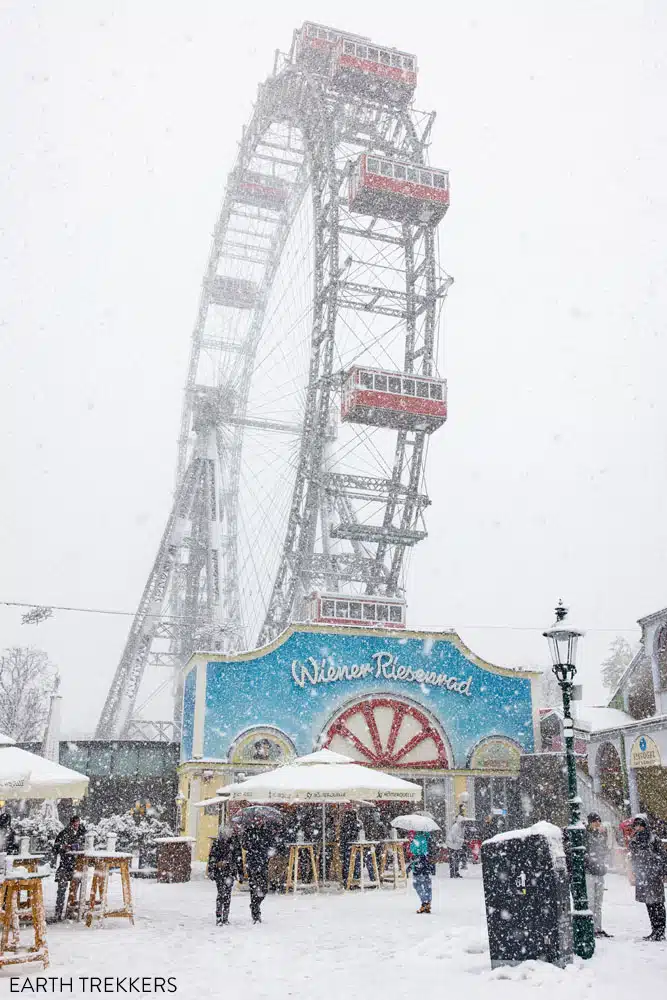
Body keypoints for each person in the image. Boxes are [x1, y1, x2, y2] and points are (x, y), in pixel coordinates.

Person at [628, 815, 666, 941]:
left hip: (653, 875)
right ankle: (654, 930)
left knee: (657, 904)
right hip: (643, 875)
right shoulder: (634, 839)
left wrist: (659, 870)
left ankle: (660, 930)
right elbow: (634, 857)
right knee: (649, 904)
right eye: (636, 825)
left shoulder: (653, 838)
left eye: (640, 825)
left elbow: (662, 856)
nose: (638, 828)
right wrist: (634, 870)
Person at [50, 815, 86, 921]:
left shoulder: (81, 833)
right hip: (65, 866)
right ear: (71, 823)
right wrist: (64, 847)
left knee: (73, 889)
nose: (76, 825)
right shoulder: (64, 833)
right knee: (62, 889)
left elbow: (85, 845)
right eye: (75, 823)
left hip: (76, 866)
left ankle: (70, 911)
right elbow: (56, 848)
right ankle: (59, 912)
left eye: (78, 823)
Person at [207, 824, 244, 925]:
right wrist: (213, 868)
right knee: (221, 894)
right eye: (227, 831)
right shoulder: (217, 843)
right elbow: (212, 857)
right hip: (220, 871)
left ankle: (225, 917)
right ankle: (219, 917)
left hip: (230, 872)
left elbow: (239, 859)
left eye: (230, 831)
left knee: (227, 894)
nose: (229, 833)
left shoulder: (235, 843)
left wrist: (241, 873)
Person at [584, 812, 611, 938]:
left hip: (599, 872)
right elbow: (585, 853)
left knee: (598, 903)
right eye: (595, 821)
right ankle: (591, 929)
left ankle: (598, 928)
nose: (598, 823)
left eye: (599, 821)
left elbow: (605, 850)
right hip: (590, 873)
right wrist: (591, 861)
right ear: (590, 822)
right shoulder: (585, 835)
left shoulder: (600, 835)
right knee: (591, 902)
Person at [242, 817, 273, 924]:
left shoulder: (266, 831)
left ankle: (254, 905)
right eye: (257, 820)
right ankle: (256, 913)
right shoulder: (248, 831)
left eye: (260, 820)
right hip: (252, 863)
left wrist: (268, 853)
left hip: (263, 863)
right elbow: (244, 845)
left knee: (264, 889)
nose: (258, 822)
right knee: (254, 887)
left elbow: (271, 845)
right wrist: (252, 843)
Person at [407, 830, 436, 913]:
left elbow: (414, 852)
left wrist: (412, 844)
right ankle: (428, 903)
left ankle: (424, 903)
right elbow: (426, 851)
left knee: (417, 884)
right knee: (427, 884)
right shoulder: (427, 837)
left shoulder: (417, 839)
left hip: (418, 864)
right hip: (426, 864)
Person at [340, 807, 361, 887]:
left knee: (348, 864)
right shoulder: (357, 823)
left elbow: (343, 836)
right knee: (355, 863)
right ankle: (354, 880)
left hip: (348, 846)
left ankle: (347, 881)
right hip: (354, 846)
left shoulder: (345, 823)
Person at [446, 814, 465, 878]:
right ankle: (452, 874)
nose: (464, 823)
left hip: (456, 846)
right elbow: (455, 837)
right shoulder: (455, 827)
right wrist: (462, 840)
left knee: (457, 859)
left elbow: (461, 836)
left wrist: (462, 841)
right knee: (452, 859)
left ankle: (456, 873)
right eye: (462, 822)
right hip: (451, 845)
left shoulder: (462, 827)